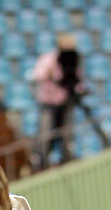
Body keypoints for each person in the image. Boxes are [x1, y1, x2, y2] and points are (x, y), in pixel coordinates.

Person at [32, 32, 85, 169]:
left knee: (66, 135)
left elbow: (76, 80)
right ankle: (43, 165)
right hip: (48, 104)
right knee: (45, 135)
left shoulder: (72, 61)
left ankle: (67, 163)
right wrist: (49, 73)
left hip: (65, 103)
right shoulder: (48, 59)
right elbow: (38, 75)